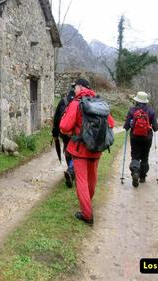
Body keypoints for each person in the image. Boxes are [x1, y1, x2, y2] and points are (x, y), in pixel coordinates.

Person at [60, 78, 115, 225]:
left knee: (82, 180)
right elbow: (111, 123)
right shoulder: (99, 103)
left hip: (80, 149)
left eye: (75, 87)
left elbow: (64, 127)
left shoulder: (76, 104)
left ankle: (87, 214)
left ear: (80, 87)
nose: (74, 90)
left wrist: (72, 131)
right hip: (97, 148)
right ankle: (87, 203)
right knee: (92, 178)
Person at [123, 91, 158, 187]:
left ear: (137, 100)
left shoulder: (132, 110)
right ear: (146, 101)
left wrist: (128, 127)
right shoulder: (151, 111)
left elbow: (126, 126)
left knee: (135, 156)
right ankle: (142, 177)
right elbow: (155, 128)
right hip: (147, 138)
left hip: (135, 137)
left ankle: (135, 172)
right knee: (145, 157)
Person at [52, 84, 76, 188]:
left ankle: (70, 169)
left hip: (65, 132)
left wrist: (55, 133)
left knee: (67, 149)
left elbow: (57, 119)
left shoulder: (63, 101)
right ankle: (71, 170)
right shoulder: (82, 101)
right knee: (78, 152)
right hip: (77, 133)